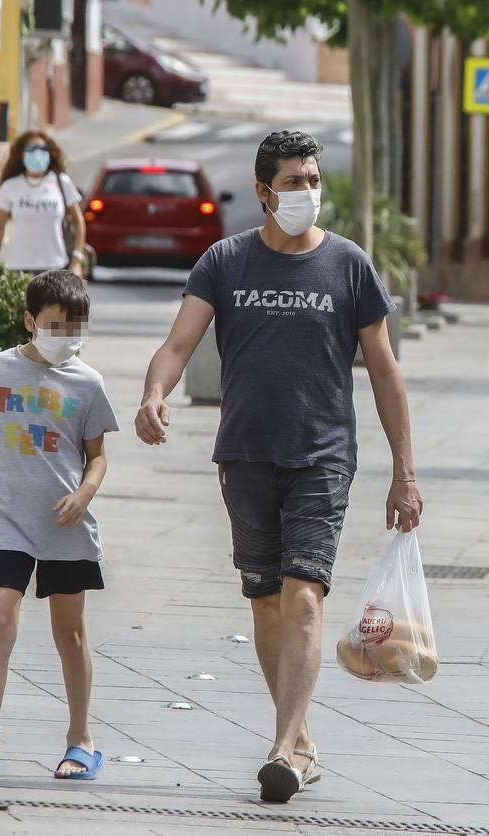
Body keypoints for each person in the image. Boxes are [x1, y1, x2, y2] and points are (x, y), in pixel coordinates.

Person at [134, 131, 424, 803]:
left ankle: (282, 751)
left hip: (321, 457)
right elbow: (178, 344)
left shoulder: (347, 266)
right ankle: (300, 740)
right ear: (263, 192)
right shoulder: (224, 261)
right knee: (264, 601)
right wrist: (154, 395)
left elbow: (384, 372)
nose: (306, 192)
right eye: (293, 181)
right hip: (244, 455)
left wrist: (403, 473)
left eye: (312, 179)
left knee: (302, 596)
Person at [0, 270, 119, 784]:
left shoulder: (88, 383)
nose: (64, 336)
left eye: (74, 328)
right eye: (54, 325)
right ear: (31, 321)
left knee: (69, 633)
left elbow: (98, 458)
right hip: (5, 519)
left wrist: (84, 494)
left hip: (65, 523)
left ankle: (81, 740)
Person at [0, 131, 92, 276]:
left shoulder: (61, 182)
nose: (37, 154)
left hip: (56, 266)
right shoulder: (10, 187)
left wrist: (76, 261)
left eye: (42, 150)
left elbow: (78, 222)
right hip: (18, 269)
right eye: (31, 149)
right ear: (22, 154)